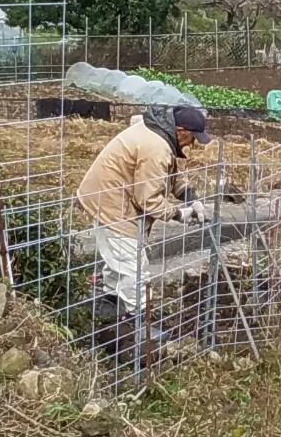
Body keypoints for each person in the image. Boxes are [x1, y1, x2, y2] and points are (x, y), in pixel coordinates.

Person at [77, 103, 212, 356]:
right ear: (181, 131)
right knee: (134, 270)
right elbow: (148, 200)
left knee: (119, 267)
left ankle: (109, 320)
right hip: (113, 205)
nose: (192, 145)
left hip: (109, 197)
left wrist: (191, 197)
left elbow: (169, 175)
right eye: (193, 138)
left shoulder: (159, 133)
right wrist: (179, 213)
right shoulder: (156, 147)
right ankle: (138, 330)